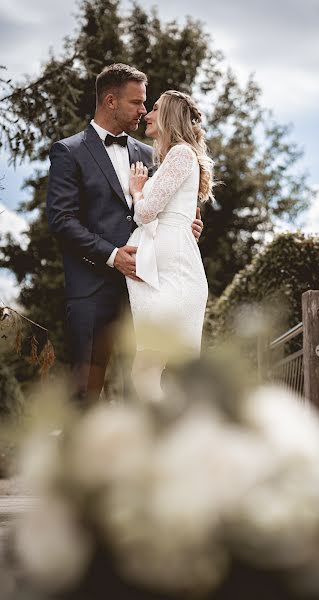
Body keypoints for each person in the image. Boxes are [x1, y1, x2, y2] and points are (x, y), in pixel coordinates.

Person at [46, 64, 203, 406]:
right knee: (85, 392)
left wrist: (186, 226)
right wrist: (112, 255)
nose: (144, 110)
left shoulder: (151, 154)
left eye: (146, 103)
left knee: (147, 387)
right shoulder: (68, 151)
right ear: (111, 101)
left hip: (149, 286)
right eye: (136, 103)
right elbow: (61, 220)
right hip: (93, 289)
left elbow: (161, 207)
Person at [126, 90, 214, 400]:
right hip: (166, 267)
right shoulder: (176, 157)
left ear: (169, 116)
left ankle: (171, 434)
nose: (147, 114)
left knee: (146, 371)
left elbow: (147, 212)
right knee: (153, 370)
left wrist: (138, 190)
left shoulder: (180, 154)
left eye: (155, 109)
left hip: (170, 274)